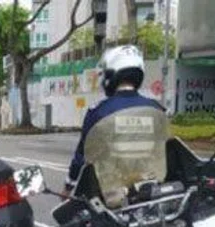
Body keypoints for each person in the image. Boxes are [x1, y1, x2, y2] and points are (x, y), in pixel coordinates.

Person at [64, 45, 166, 200]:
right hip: (153, 191)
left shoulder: (98, 111)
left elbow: (82, 156)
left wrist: (68, 187)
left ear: (111, 74)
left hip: (112, 195)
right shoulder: (156, 108)